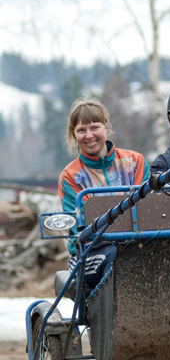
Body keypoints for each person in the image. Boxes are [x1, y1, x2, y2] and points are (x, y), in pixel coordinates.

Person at [58, 97, 149, 288]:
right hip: (90, 253)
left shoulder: (134, 162)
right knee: (120, 257)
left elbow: (147, 208)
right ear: (74, 135)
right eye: (81, 130)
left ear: (106, 128)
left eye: (94, 127)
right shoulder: (71, 176)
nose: (89, 135)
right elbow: (78, 229)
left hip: (137, 244)